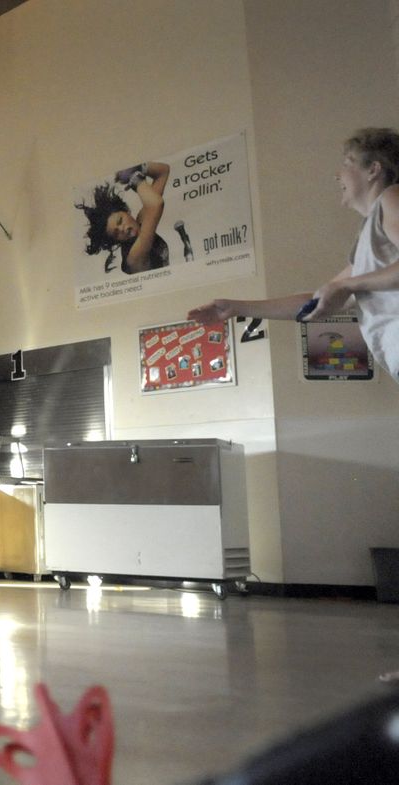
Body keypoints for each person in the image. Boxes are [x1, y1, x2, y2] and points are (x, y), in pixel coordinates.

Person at [186, 127, 399, 680]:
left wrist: (351, 287)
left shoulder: (394, 201)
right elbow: (314, 302)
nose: (338, 175)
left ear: (374, 170)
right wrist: (237, 306)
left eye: (347, 163)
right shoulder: (367, 236)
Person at [75, 161, 171, 274]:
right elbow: (157, 204)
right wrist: (136, 180)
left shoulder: (141, 220)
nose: (122, 229)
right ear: (116, 240)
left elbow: (163, 172)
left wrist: (140, 167)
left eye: (120, 221)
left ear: (126, 211)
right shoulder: (133, 256)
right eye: (116, 233)